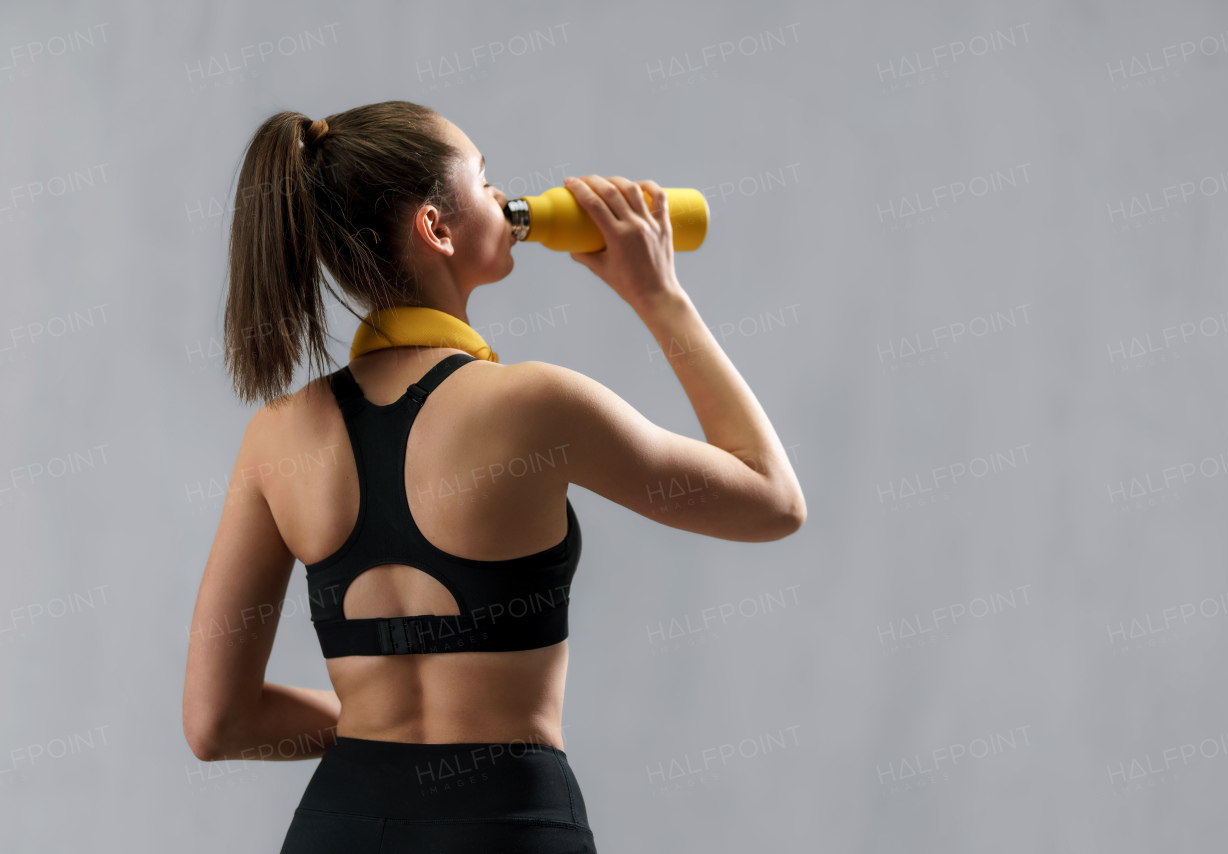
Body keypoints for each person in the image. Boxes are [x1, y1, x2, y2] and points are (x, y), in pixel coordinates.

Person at [181, 100, 806, 853]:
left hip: (338, 827)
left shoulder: (276, 434)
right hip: (508, 827)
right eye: (485, 181)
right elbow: (772, 500)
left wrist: (379, 725)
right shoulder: (537, 404)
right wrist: (659, 295)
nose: (506, 200)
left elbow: (216, 723)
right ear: (437, 228)